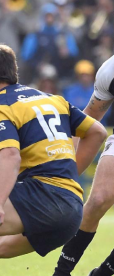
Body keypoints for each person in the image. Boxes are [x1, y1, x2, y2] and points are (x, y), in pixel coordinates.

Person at [0, 41, 107, 276]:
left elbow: (10, 156)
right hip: (71, 211)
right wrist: (70, 171)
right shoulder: (53, 99)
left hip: (42, 198)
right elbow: (97, 132)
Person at [52, 55, 114, 276]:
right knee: (97, 200)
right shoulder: (110, 70)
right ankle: (62, 272)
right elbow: (90, 117)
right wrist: (63, 164)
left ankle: (104, 273)